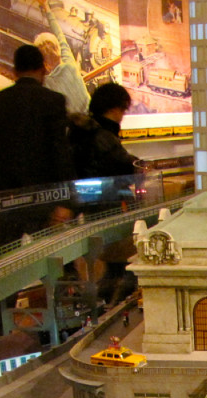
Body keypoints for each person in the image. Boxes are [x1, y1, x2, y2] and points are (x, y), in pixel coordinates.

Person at [0, 43, 75, 248]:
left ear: (14, 70)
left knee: (9, 257)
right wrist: (66, 200)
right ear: (43, 69)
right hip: (45, 198)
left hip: (6, 197)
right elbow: (60, 153)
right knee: (51, 254)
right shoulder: (53, 101)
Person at [68, 82, 141, 303]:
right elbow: (125, 166)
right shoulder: (103, 136)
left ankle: (108, 302)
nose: (122, 116)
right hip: (109, 205)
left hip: (90, 205)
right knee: (123, 261)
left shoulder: (80, 132)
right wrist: (139, 166)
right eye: (123, 110)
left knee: (113, 263)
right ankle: (113, 303)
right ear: (115, 108)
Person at [33, 0, 89, 115]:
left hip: (74, 126)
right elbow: (59, 35)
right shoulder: (70, 64)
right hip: (92, 119)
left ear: (43, 63)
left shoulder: (46, 84)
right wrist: (47, 8)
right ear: (58, 49)